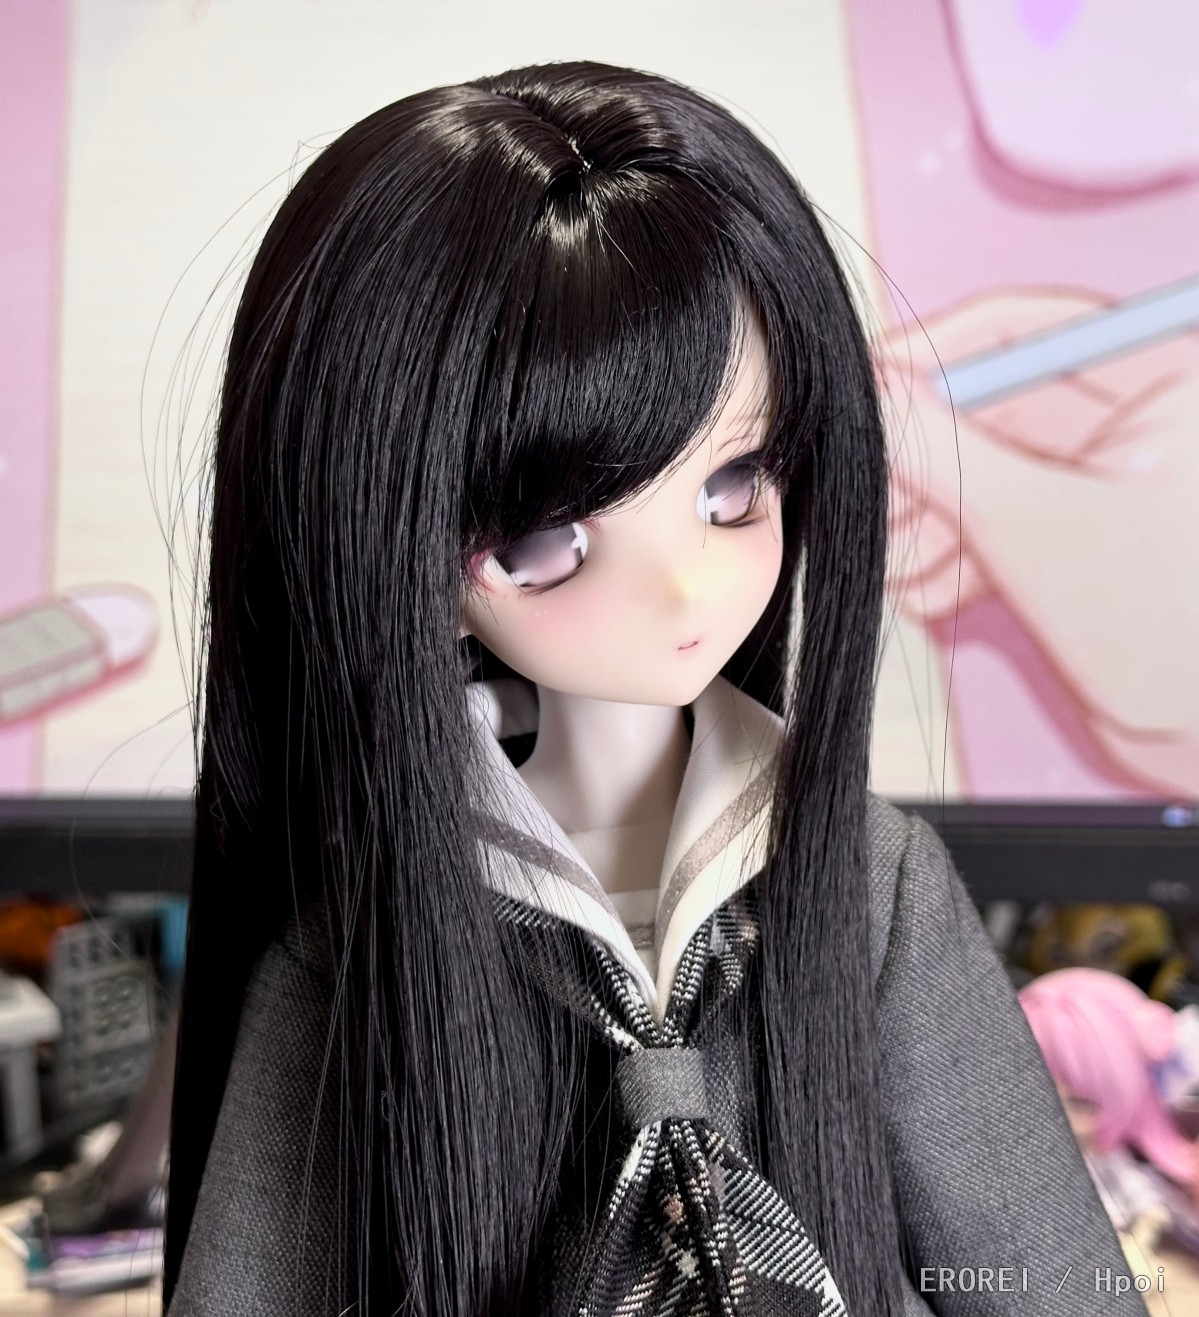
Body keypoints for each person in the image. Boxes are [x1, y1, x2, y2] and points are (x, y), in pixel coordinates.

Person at [163, 61, 1145, 1316]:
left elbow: (1038, 1277)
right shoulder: (363, 932)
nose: (683, 588)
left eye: (733, 486)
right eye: (545, 543)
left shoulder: (863, 889)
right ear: (391, 554)